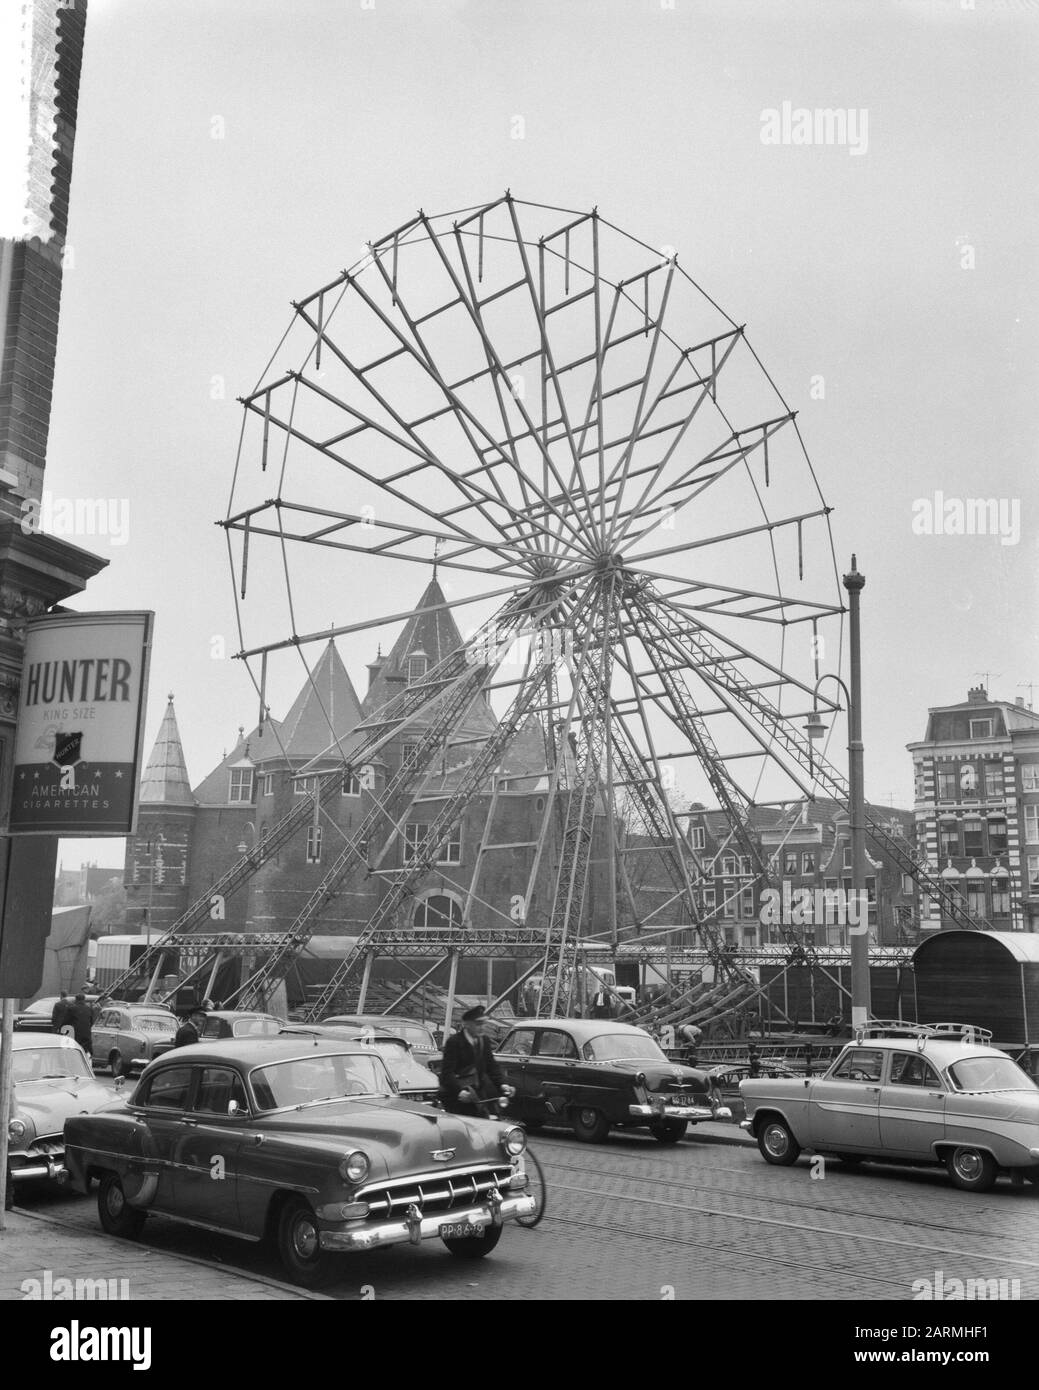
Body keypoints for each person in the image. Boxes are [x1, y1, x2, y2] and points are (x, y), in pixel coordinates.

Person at [438, 1006, 515, 1117]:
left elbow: (492, 1066)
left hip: (477, 1096)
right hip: (457, 1098)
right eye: (478, 1024)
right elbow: (447, 1073)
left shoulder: (484, 1041)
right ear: (467, 1024)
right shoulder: (454, 1042)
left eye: (484, 1023)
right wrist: (459, 1092)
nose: (482, 1027)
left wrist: (503, 1085)